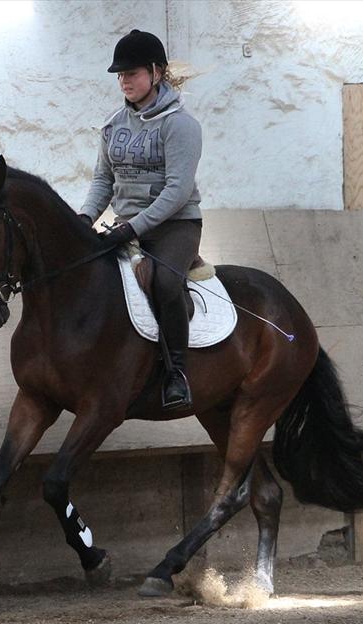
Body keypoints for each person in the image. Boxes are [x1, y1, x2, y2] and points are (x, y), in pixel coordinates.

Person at [78, 29, 203, 412]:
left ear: (157, 72)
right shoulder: (113, 125)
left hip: (175, 226)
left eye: (131, 73)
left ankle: (176, 374)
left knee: (165, 284)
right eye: (120, 75)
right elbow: (104, 179)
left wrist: (132, 228)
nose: (124, 81)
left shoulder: (181, 125)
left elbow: (177, 191)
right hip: (125, 225)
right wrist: (84, 218)